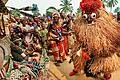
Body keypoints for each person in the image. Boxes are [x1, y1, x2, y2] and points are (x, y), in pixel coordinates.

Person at [70, 0, 120, 79]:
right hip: (86, 52)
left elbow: (114, 41)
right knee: (77, 58)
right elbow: (77, 37)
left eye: (92, 16)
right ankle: (76, 69)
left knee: (106, 66)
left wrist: (102, 49)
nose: (89, 19)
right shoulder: (80, 25)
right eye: (86, 16)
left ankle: (107, 76)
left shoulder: (107, 26)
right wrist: (82, 48)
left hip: (103, 54)